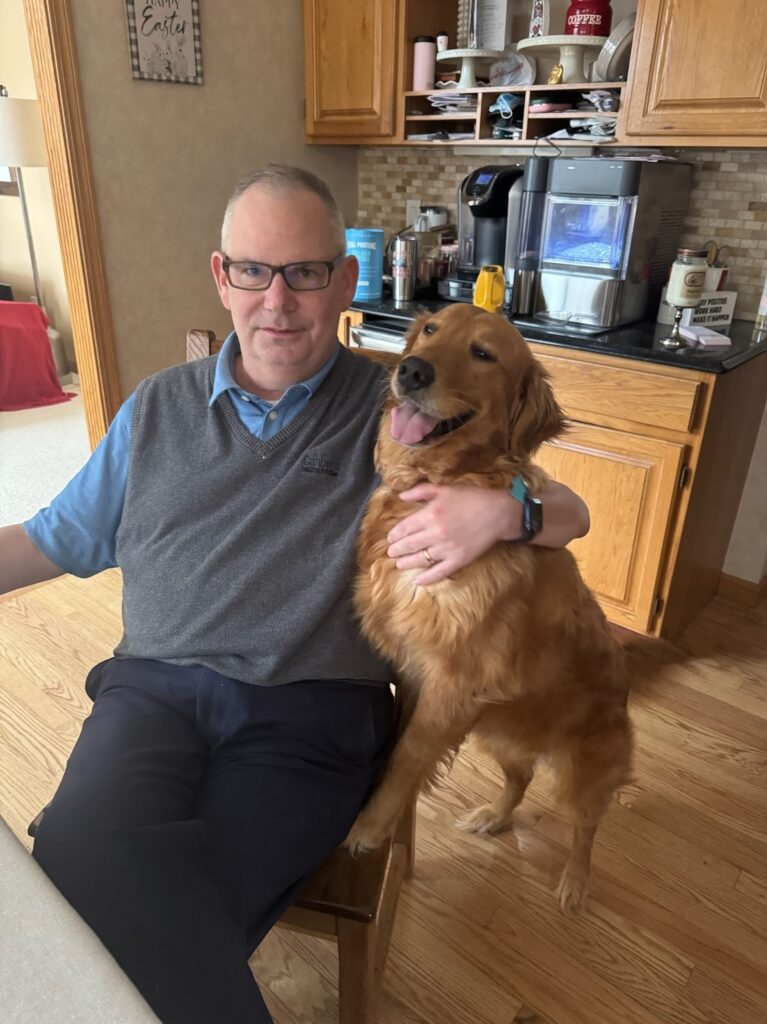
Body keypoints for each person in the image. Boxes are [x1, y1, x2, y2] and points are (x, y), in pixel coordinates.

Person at [0, 164, 589, 1024]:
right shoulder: (157, 410)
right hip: (151, 694)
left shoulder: (402, 403)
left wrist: (504, 509)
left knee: (100, 919)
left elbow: (568, 513)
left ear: (345, 280)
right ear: (221, 276)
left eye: (306, 273)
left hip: (307, 717)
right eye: (253, 270)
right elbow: (50, 539)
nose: (278, 301)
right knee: (84, 866)